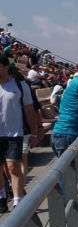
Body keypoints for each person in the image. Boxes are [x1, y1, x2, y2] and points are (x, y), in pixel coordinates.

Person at [0, 55, 43, 210]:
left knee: (13, 167)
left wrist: (34, 133)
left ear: (5, 67)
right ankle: (2, 196)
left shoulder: (19, 85)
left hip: (14, 133)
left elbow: (30, 110)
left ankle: (18, 200)